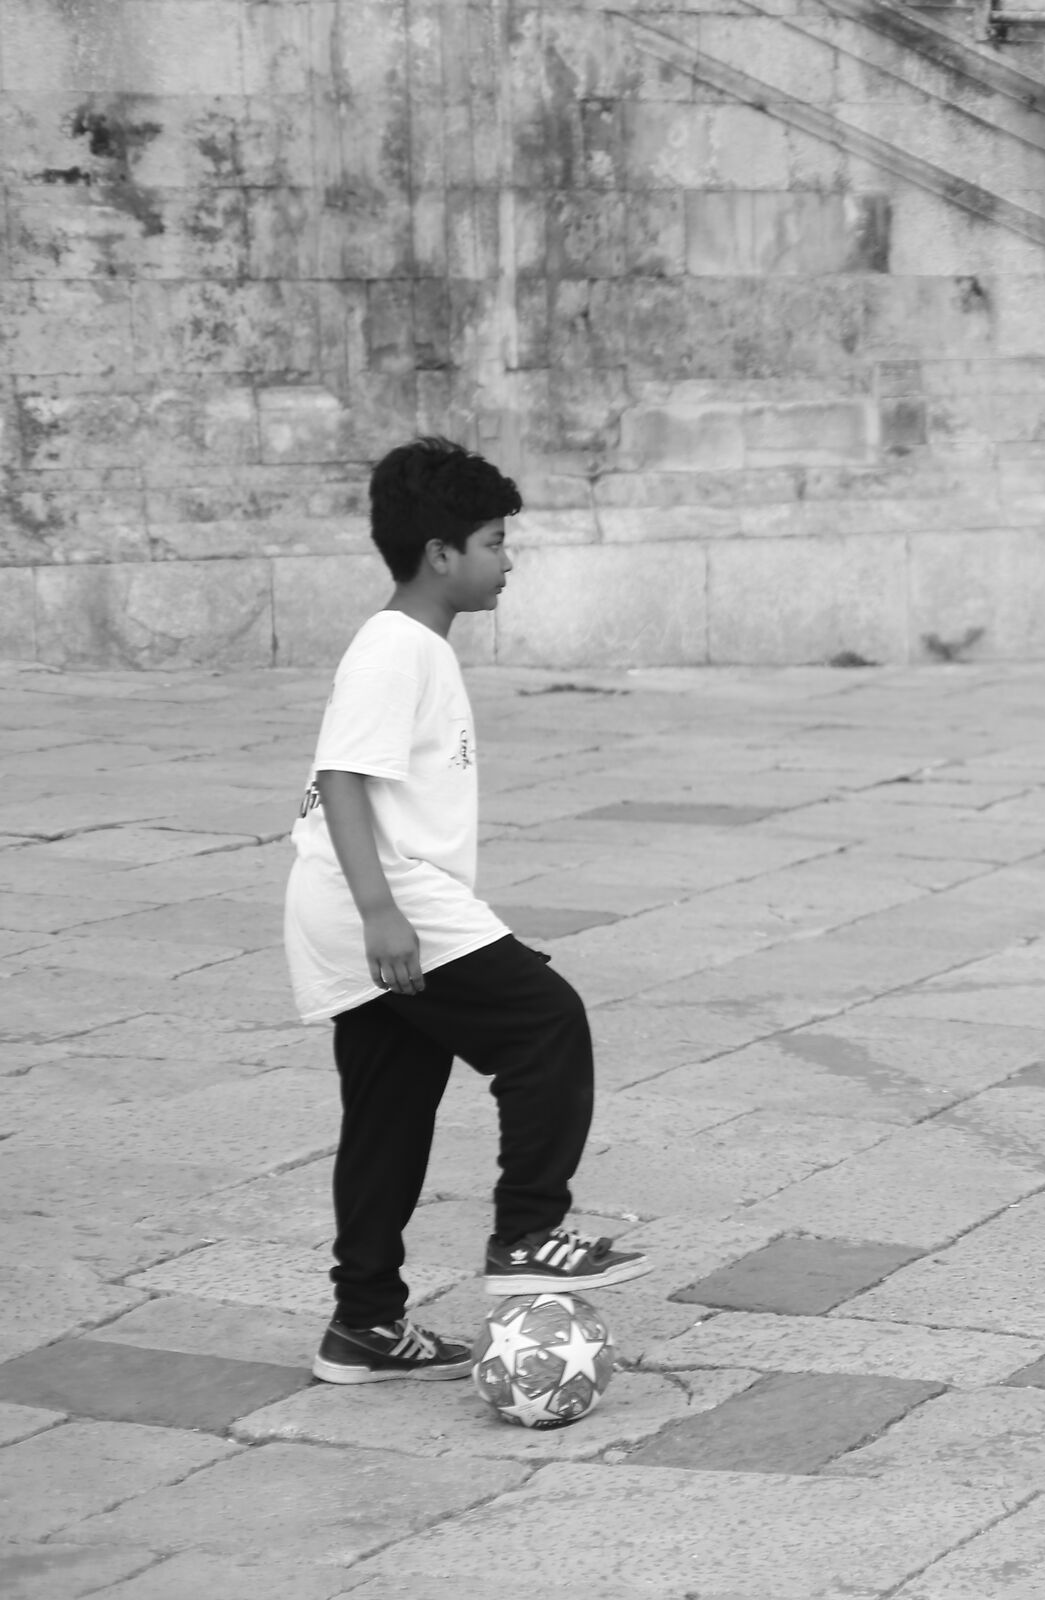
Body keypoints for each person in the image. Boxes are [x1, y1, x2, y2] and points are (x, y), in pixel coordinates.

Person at [285, 437, 650, 1386]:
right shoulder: (394, 649)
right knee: (545, 1022)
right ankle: (529, 1233)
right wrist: (383, 915)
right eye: (494, 541)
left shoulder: (410, 647)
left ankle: (363, 1324)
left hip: (360, 900)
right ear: (440, 553)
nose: (508, 560)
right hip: (387, 899)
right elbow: (341, 777)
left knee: (390, 1116)